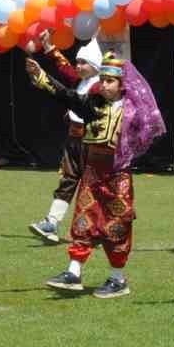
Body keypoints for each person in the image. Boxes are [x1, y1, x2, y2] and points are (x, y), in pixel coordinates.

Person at [27, 51, 165, 299]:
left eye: (110, 81)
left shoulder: (135, 110)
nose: (104, 84)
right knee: (83, 220)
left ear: (122, 84)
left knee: (117, 227)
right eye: (102, 79)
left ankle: (117, 279)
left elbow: (149, 132)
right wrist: (42, 78)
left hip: (118, 177)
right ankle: (73, 272)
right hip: (92, 173)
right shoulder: (93, 104)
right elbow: (66, 96)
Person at [27, 34, 104, 243]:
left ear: (95, 66)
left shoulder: (100, 88)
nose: (78, 66)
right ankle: (51, 223)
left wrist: (44, 79)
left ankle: (94, 229)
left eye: (83, 63)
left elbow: (71, 97)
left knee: (93, 185)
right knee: (68, 180)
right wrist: (49, 47)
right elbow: (65, 68)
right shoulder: (81, 81)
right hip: (73, 139)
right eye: (78, 62)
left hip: (93, 143)